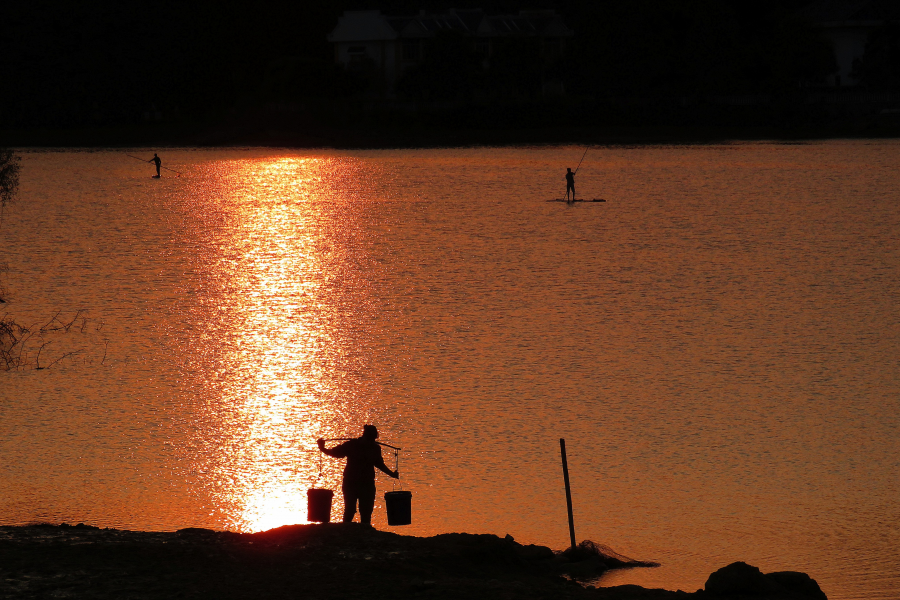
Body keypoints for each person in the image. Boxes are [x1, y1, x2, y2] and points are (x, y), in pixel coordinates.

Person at [317, 425, 399, 525]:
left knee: (366, 511)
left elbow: (380, 464)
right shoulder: (352, 445)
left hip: (367, 484)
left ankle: (364, 530)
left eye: (373, 439)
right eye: (371, 438)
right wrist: (323, 448)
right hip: (351, 483)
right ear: (365, 436)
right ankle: (346, 529)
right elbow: (335, 453)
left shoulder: (375, 448)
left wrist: (392, 474)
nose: (372, 441)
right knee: (350, 510)